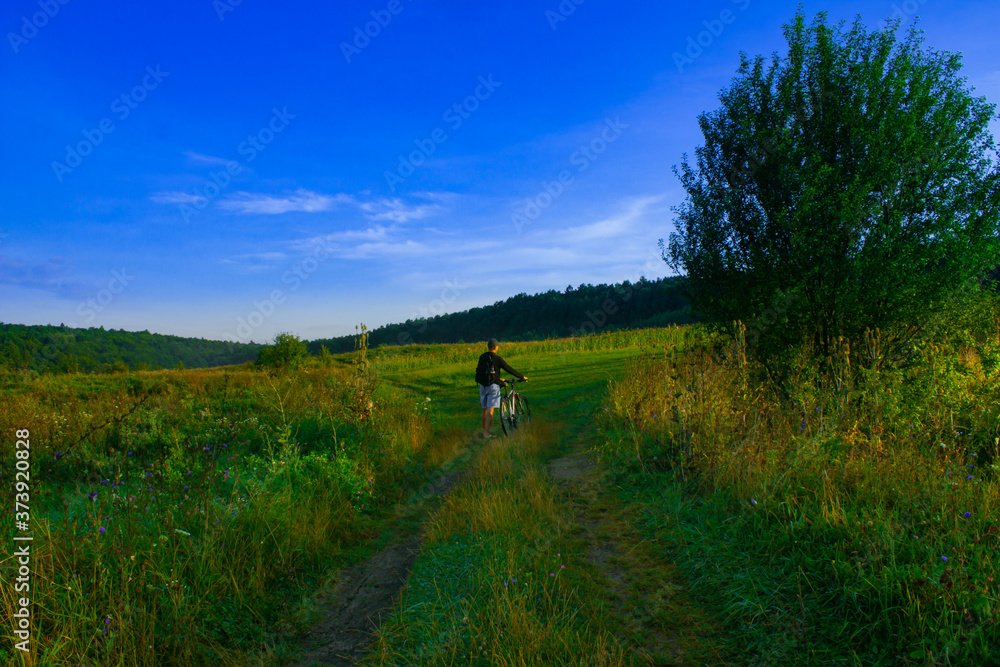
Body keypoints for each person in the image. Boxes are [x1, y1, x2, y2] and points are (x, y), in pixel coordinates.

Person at [475, 338, 527, 438]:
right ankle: (486, 433)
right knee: (490, 410)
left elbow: (486, 372)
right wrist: (521, 377)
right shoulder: (497, 358)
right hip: (493, 386)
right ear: (495, 347)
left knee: (484, 409)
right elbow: (509, 369)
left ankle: (484, 431)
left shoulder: (482, 357)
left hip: (482, 385)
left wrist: (498, 378)